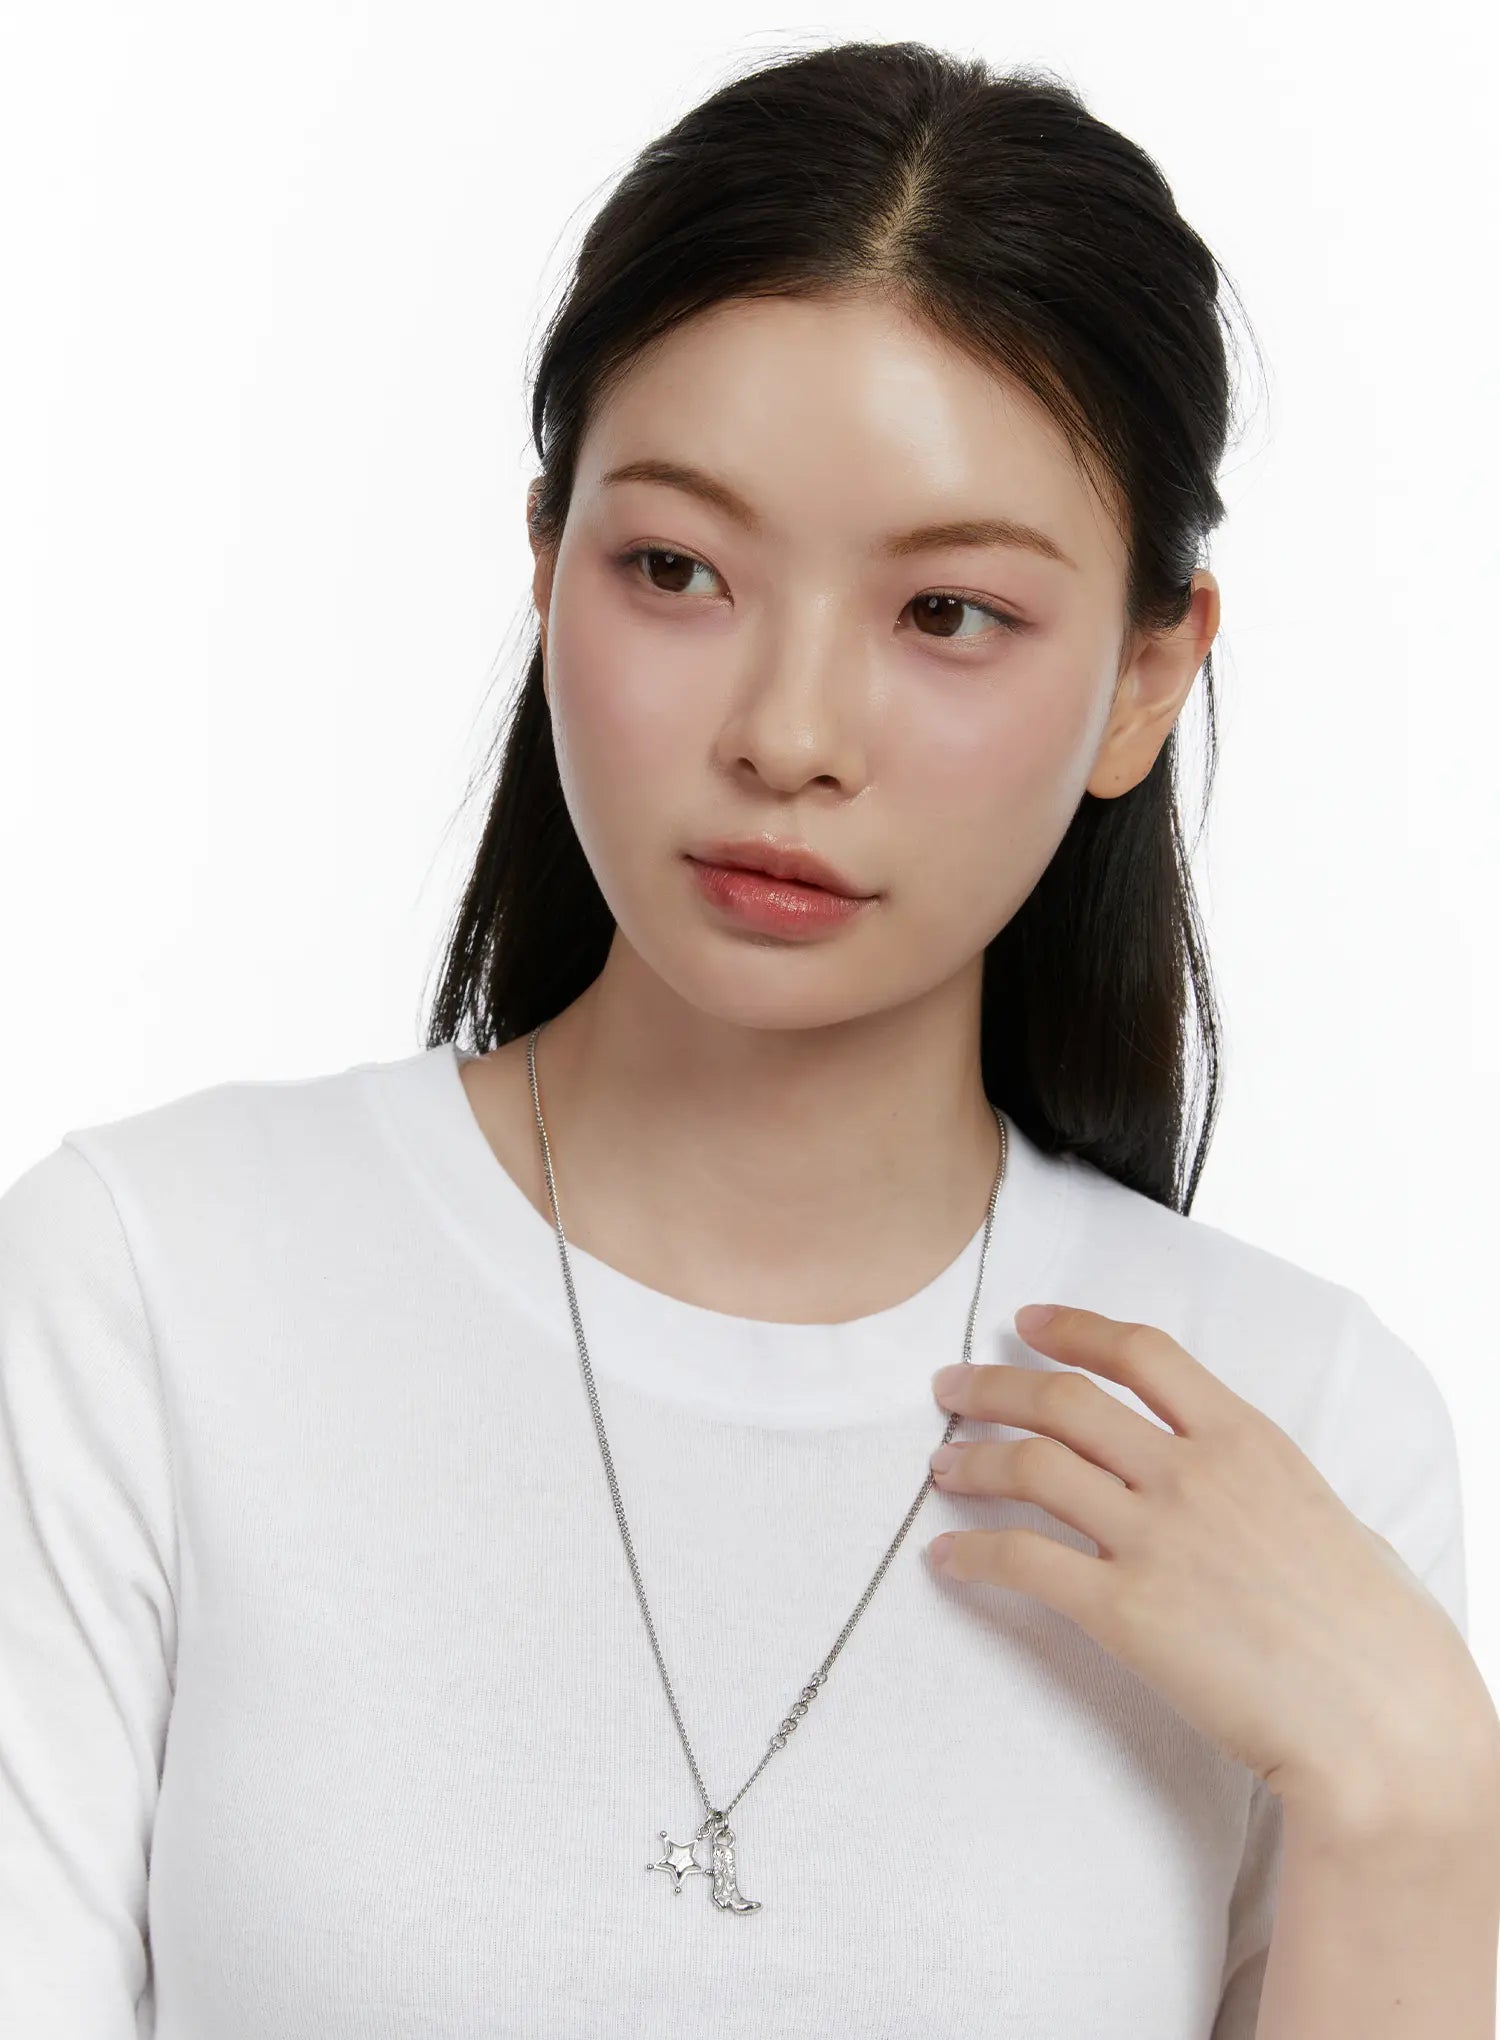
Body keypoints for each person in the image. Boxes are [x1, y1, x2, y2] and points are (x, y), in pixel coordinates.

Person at [2, 37, 1490, 2040]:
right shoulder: (150, 1293)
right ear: (547, 567)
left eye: (948, 614)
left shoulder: (1300, 1423)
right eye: (676, 569)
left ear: (1147, 681)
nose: (790, 734)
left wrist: (1415, 1801)